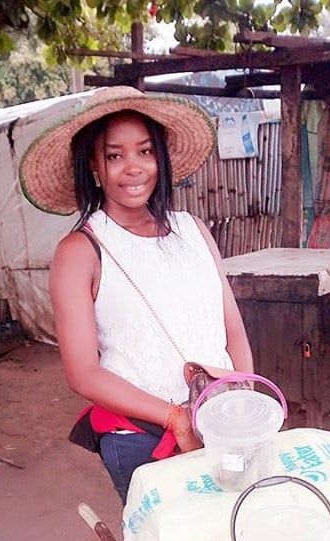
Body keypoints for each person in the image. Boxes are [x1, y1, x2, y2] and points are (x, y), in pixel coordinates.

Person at [20, 86, 253, 504]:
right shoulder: (80, 251)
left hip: (222, 426)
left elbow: (232, 329)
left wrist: (243, 402)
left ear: (159, 158)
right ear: (93, 164)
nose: (134, 168)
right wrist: (177, 419)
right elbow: (83, 374)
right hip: (142, 440)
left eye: (144, 152)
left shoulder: (194, 230)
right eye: (115, 155)